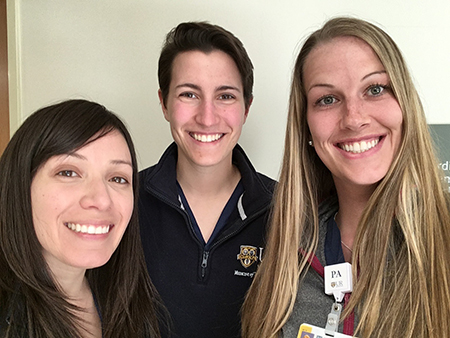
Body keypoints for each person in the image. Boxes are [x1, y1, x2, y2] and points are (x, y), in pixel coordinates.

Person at [242, 17, 450, 338]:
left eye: (375, 89)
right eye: (327, 99)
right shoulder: (286, 246)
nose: (354, 118)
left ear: (405, 104)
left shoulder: (443, 238)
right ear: (306, 126)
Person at [139, 22, 275, 338]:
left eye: (225, 96)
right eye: (189, 94)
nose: (207, 117)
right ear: (164, 103)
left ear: (246, 107)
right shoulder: (122, 203)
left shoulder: (288, 209)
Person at [0, 99, 164, 338]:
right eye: (68, 172)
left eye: (118, 178)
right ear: (20, 185)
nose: (101, 199)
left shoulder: (125, 299)